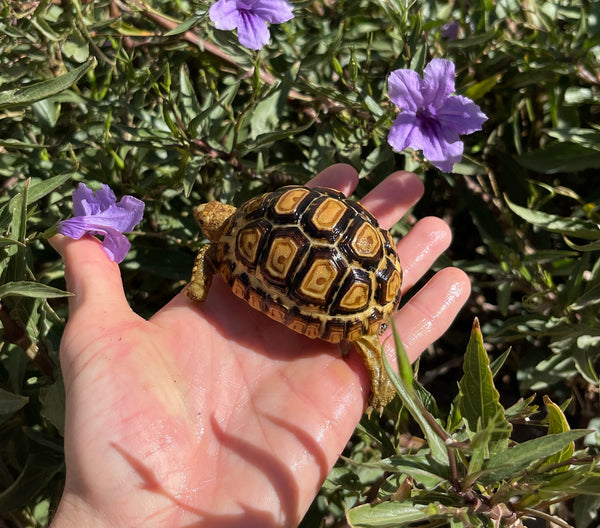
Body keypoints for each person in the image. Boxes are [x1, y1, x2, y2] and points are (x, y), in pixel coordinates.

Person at [48, 165, 471, 528]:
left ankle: (374, 368)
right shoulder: (264, 204)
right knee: (364, 337)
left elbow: (202, 280)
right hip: (367, 260)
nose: (202, 218)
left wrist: (199, 286)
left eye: (204, 221)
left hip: (323, 278)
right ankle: (375, 366)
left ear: (215, 226)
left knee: (362, 338)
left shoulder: (221, 250)